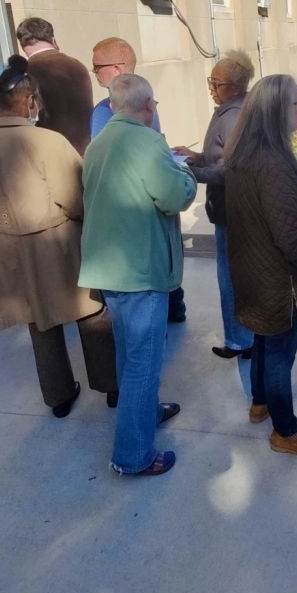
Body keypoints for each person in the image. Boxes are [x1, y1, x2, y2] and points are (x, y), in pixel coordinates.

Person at [0, 57, 115, 419]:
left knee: (39, 321)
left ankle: (58, 396)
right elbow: (76, 197)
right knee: (90, 311)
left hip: (4, 248)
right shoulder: (46, 140)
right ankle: (111, 385)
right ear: (31, 101)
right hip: (54, 242)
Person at [80, 73, 196, 477]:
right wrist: (188, 175)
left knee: (130, 352)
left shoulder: (98, 143)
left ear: (114, 106)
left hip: (110, 267)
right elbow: (175, 195)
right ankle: (132, 455)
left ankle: (145, 413)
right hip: (141, 267)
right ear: (149, 106)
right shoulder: (148, 141)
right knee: (142, 364)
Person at [227, 74, 297, 457]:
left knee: (262, 338)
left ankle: (260, 403)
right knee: (280, 353)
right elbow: (290, 237)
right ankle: (285, 431)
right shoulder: (273, 166)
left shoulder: (245, 156)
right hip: (276, 280)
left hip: (253, 274)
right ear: (274, 111)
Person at [89, 37, 184, 326]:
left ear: (116, 68)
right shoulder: (142, 105)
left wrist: (183, 179)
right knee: (142, 348)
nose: (94, 73)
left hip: (131, 251)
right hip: (142, 253)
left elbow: (171, 194)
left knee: (139, 349)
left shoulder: (108, 112)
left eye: (97, 67)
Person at [172, 50, 255, 359]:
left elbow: (231, 170)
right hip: (232, 209)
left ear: (234, 86)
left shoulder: (233, 115)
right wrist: (195, 156)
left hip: (234, 211)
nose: (210, 88)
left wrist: (190, 171)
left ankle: (240, 341)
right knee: (234, 275)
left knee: (231, 277)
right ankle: (244, 337)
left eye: (215, 82)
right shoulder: (233, 108)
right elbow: (223, 157)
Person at [15, 16, 93, 155]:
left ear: (22, 45)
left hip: (51, 154)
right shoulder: (77, 65)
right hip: (85, 150)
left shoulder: (26, 72)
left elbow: (23, 119)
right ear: (52, 39)